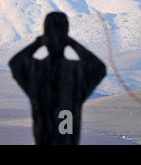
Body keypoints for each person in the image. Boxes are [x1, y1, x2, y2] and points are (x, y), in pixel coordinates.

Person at [9, 12, 106, 145]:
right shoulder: (75, 71)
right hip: (67, 137)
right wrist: (71, 42)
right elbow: (98, 68)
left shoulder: (37, 71)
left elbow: (16, 63)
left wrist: (39, 42)